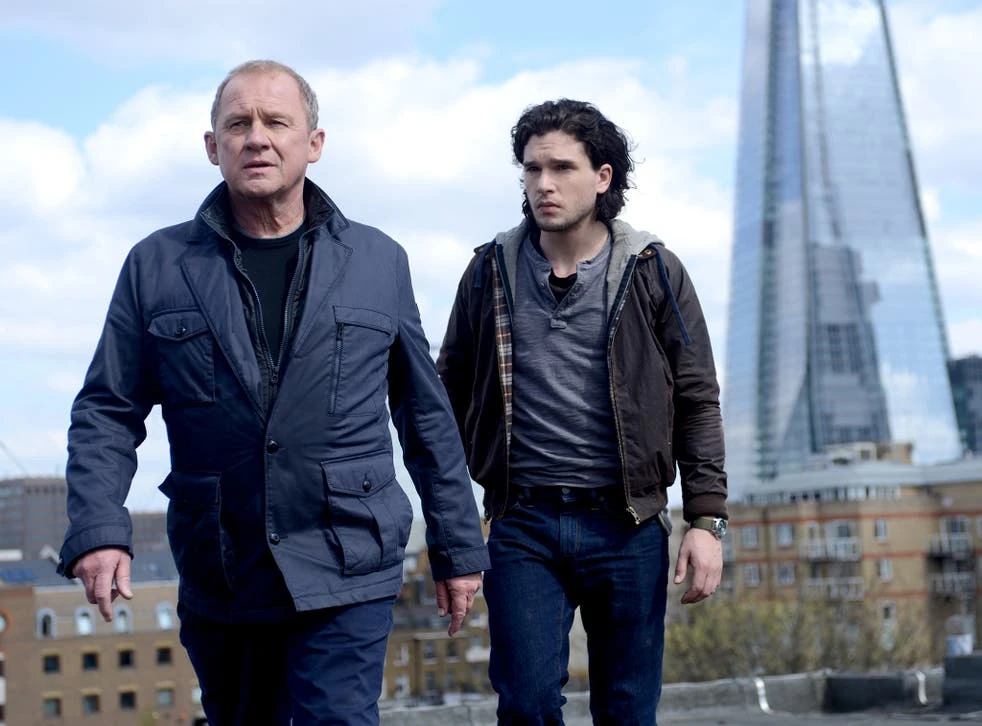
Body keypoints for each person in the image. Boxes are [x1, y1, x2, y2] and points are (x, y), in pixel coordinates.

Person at [58, 60, 489, 726]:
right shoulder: (157, 265)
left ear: (313, 143)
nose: (256, 137)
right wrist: (98, 530)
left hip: (350, 558)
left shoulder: (379, 261)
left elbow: (424, 414)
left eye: (276, 122)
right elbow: (107, 411)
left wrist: (457, 547)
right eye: (238, 124)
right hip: (223, 566)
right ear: (213, 147)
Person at [437, 99, 728, 725]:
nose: (543, 183)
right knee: (526, 703)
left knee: (627, 710)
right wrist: (454, 518)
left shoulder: (653, 270)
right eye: (532, 169)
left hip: (627, 523)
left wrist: (707, 520)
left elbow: (697, 398)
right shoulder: (489, 271)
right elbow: (445, 395)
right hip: (524, 522)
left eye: (562, 168)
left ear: (602, 177)